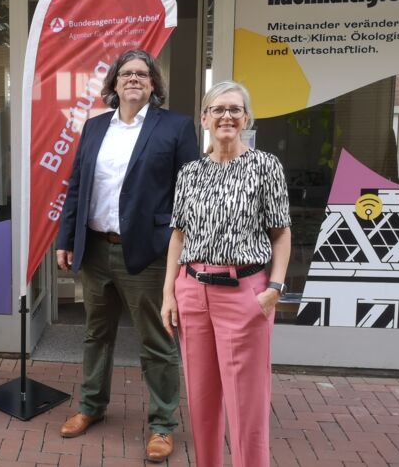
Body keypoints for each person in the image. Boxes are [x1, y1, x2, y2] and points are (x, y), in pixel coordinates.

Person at [55, 49, 199, 462]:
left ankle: (162, 425)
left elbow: (188, 192)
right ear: (114, 84)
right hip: (96, 248)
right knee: (96, 334)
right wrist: (67, 239)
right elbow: (77, 187)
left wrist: (180, 245)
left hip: (149, 254)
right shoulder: (95, 127)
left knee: (157, 341)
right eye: (126, 74)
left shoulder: (174, 127)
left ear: (154, 84)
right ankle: (91, 407)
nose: (133, 79)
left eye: (142, 74)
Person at [161, 81, 291, 467]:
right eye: (218, 110)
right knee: (201, 398)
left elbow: (281, 233)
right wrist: (169, 293)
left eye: (235, 109)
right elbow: (178, 235)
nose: (226, 117)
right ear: (204, 118)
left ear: (246, 118)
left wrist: (275, 288)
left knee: (246, 402)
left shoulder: (265, 166)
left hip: (244, 292)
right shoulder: (190, 172)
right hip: (193, 290)